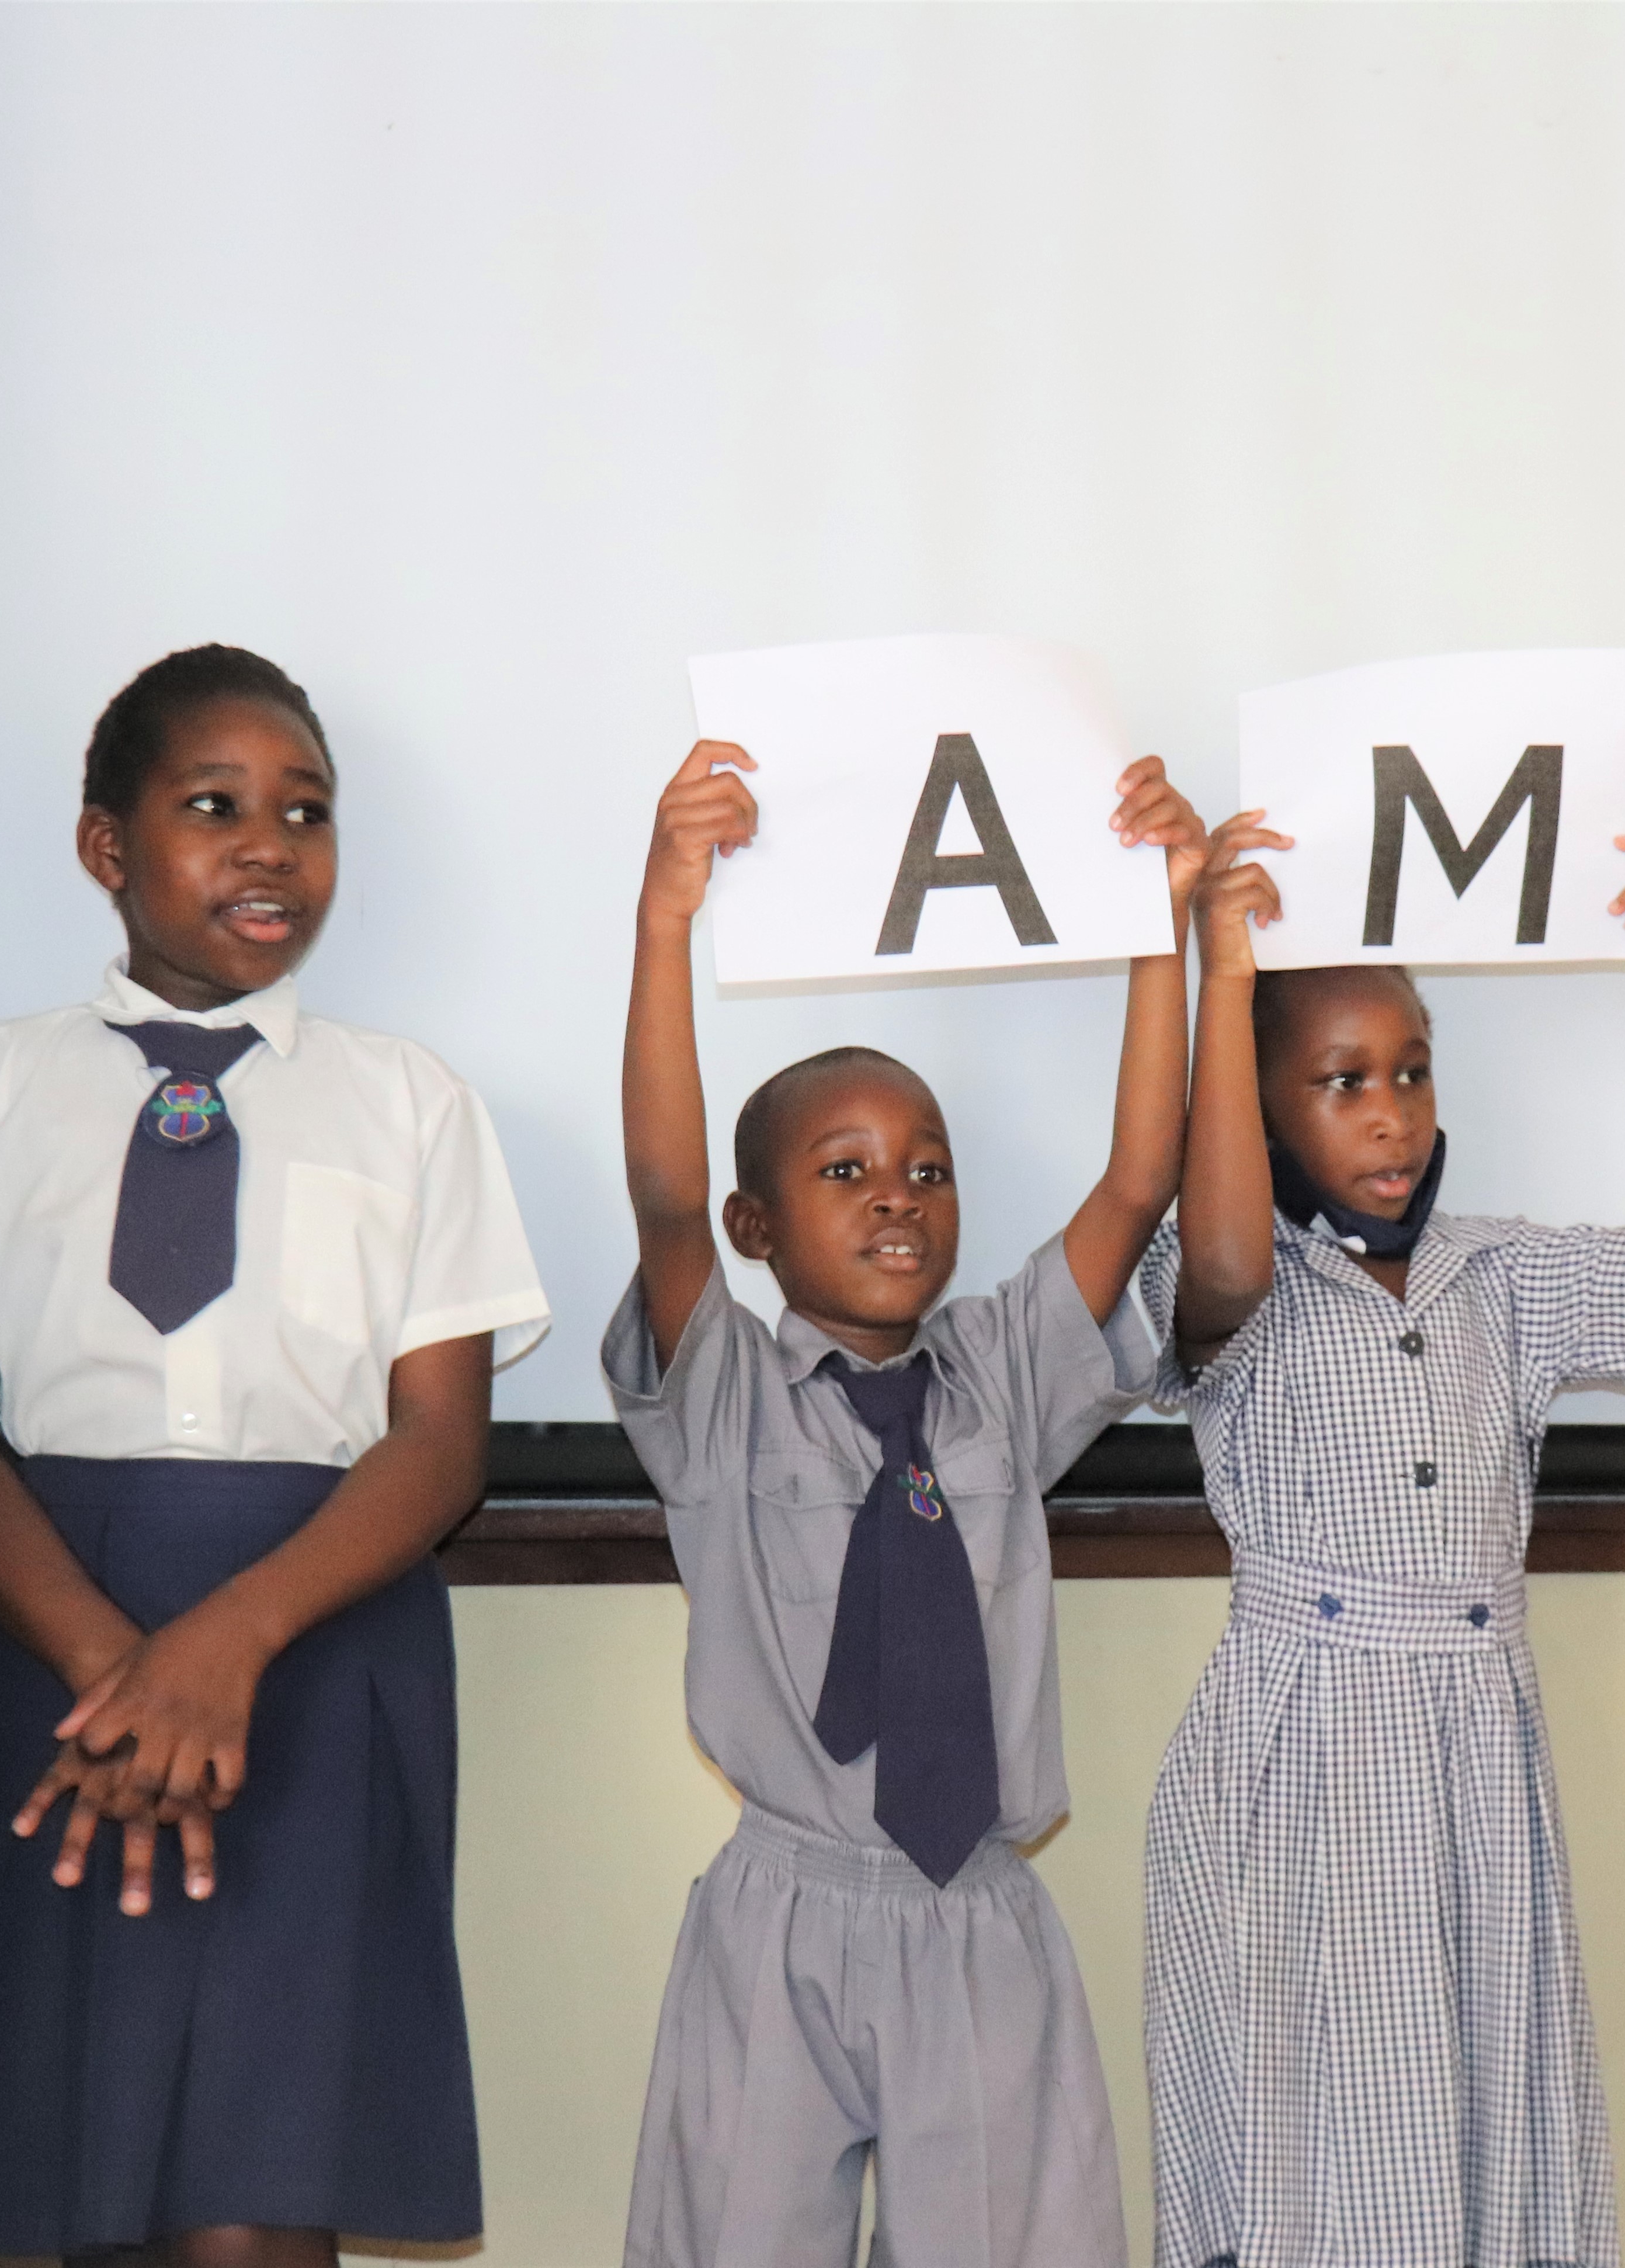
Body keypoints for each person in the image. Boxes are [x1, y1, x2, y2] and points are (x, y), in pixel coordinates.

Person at [0, 646, 551, 2266]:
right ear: (106, 848)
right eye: (213, 806)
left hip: (318, 1647)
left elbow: (438, 1448)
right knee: (85, 2182)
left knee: (258, 2203)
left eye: (305, 812)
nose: (269, 847)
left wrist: (221, 1648)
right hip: (59, 1651)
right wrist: (121, 1673)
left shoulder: (410, 1105)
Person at [604, 736, 1204, 2268]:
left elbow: (1138, 1183)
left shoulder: (1000, 1371)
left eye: (926, 1168)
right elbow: (662, 1195)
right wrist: (665, 914)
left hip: (978, 1913)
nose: (896, 1195)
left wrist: (1164, 924)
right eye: (845, 1167)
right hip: (783, 1913)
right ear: (758, 1222)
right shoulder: (723, 1396)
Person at [1138, 791, 1625, 2268]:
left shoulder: (1500, 1275)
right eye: (1338, 1081)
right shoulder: (1232, 1275)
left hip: (1475, 1742)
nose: (1390, 1112)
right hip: (1298, 1749)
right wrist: (1218, 971)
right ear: (1262, 1106)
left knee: (1475, 2129)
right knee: (1314, 2149)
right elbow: (1219, 1251)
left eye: (1409, 1072)